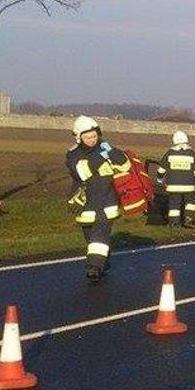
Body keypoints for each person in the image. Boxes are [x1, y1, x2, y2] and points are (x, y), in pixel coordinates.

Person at [66, 115, 130, 281]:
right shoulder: (73, 154)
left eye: (95, 136)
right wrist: (102, 155)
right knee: (91, 238)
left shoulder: (105, 147)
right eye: (88, 137)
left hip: (107, 201)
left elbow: (125, 165)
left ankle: (94, 267)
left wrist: (113, 152)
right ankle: (103, 260)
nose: (92, 140)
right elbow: (82, 172)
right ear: (79, 137)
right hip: (85, 202)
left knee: (99, 235)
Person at [156, 130, 195, 226]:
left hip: (173, 187)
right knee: (190, 202)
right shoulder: (191, 153)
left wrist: (159, 179)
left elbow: (161, 169)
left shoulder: (170, 153)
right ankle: (188, 219)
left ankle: (174, 223)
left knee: (174, 205)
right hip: (189, 186)